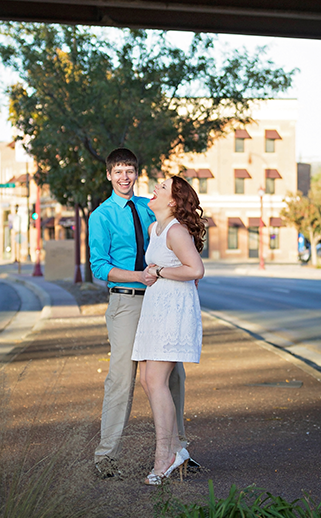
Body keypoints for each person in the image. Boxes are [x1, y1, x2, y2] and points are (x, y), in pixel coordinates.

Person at [88, 148, 189, 479]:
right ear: (109, 175)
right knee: (122, 376)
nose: (124, 177)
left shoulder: (150, 207)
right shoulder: (101, 216)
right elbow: (99, 266)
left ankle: (179, 450)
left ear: (136, 173)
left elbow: (177, 234)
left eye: (129, 170)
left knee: (173, 374)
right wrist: (138, 276)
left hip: (160, 300)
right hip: (127, 301)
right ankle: (107, 456)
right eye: (118, 171)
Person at [132, 176, 205, 485]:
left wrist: (160, 271)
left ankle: (164, 457)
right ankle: (176, 449)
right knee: (147, 380)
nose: (155, 188)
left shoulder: (176, 230)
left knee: (157, 381)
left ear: (173, 201)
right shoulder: (155, 229)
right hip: (156, 307)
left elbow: (196, 269)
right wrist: (151, 273)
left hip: (173, 310)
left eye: (162, 187)